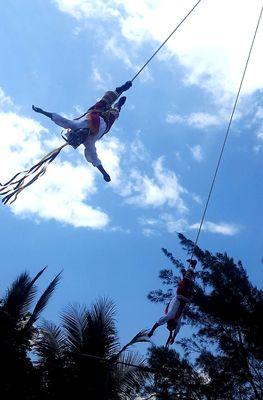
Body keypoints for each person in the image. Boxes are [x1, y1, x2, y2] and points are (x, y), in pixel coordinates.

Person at [32, 81, 132, 182]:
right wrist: (104, 173)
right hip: (106, 122)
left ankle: (120, 89)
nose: (83, 133)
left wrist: (42, 111)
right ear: (82, 139)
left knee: (106, 100)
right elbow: (95, 160)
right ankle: (118, 105)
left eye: (80, 132)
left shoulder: (75, 125)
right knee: (115, 113)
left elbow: (60, 119)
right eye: (82, 135)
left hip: (95, 112)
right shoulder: (89, 142)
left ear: (77, 131)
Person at [148, 259, 197, 345]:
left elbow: (174, 330)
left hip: (184, 298)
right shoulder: (170, 317)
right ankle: (192, 266)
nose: (166, 324)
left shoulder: (175, 321)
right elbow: (158, 324)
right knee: (187, 280)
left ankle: (188, 271)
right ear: (169, 323)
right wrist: (152, 331)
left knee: (187, 281)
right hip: (180, 296)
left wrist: (171, 337)